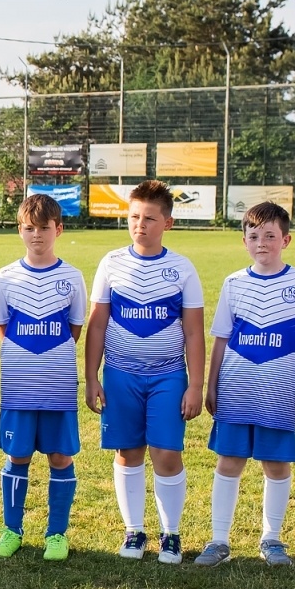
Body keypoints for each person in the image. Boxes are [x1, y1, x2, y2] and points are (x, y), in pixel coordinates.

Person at [83, 179, 205, 564]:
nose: (140, 225)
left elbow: (193, 331)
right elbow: (97, 325)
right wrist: (91, 377)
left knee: (167, 453)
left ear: (167, 223)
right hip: (121, 375)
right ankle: (134, 531)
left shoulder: (182, 269)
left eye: (150, 218)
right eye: (134, 216)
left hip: (169, 376)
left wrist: (195, 385)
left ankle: (171, 534)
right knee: (128, 451)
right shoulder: (111, 263)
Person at [195, 202, 295, 568]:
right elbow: (220, 337)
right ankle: (219, 540)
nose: (261, 242)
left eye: (270, 236)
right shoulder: (234, 283)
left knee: (276, 464)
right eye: (254, 236)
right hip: (236, 388)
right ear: (244, 241)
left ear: (286, 239)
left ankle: (272, 538)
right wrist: (212, 385)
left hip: (280, 391)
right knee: (229, 460)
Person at [0, 193, 88, 561]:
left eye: (44, 228)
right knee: (17, 457)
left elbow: (74, 328)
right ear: (20, 231)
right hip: (18, 387)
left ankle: (56, 535)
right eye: (29, 229)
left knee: (60, 457)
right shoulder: (6, 276)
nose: (36, 236)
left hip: (58, 386)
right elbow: (2, 325)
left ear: (58, 229)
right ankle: (11, 530)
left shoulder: (72, 277)